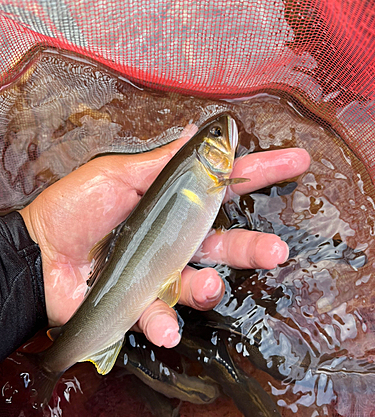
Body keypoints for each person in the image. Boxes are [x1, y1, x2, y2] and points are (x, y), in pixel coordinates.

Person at [0, 129, 310, 362]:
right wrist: (30, 250)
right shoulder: (210, 175)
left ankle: (56, 361)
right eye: (216, 134)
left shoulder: (205, 173)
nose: (225, 132)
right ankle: (55, 362)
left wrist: (29, 260)